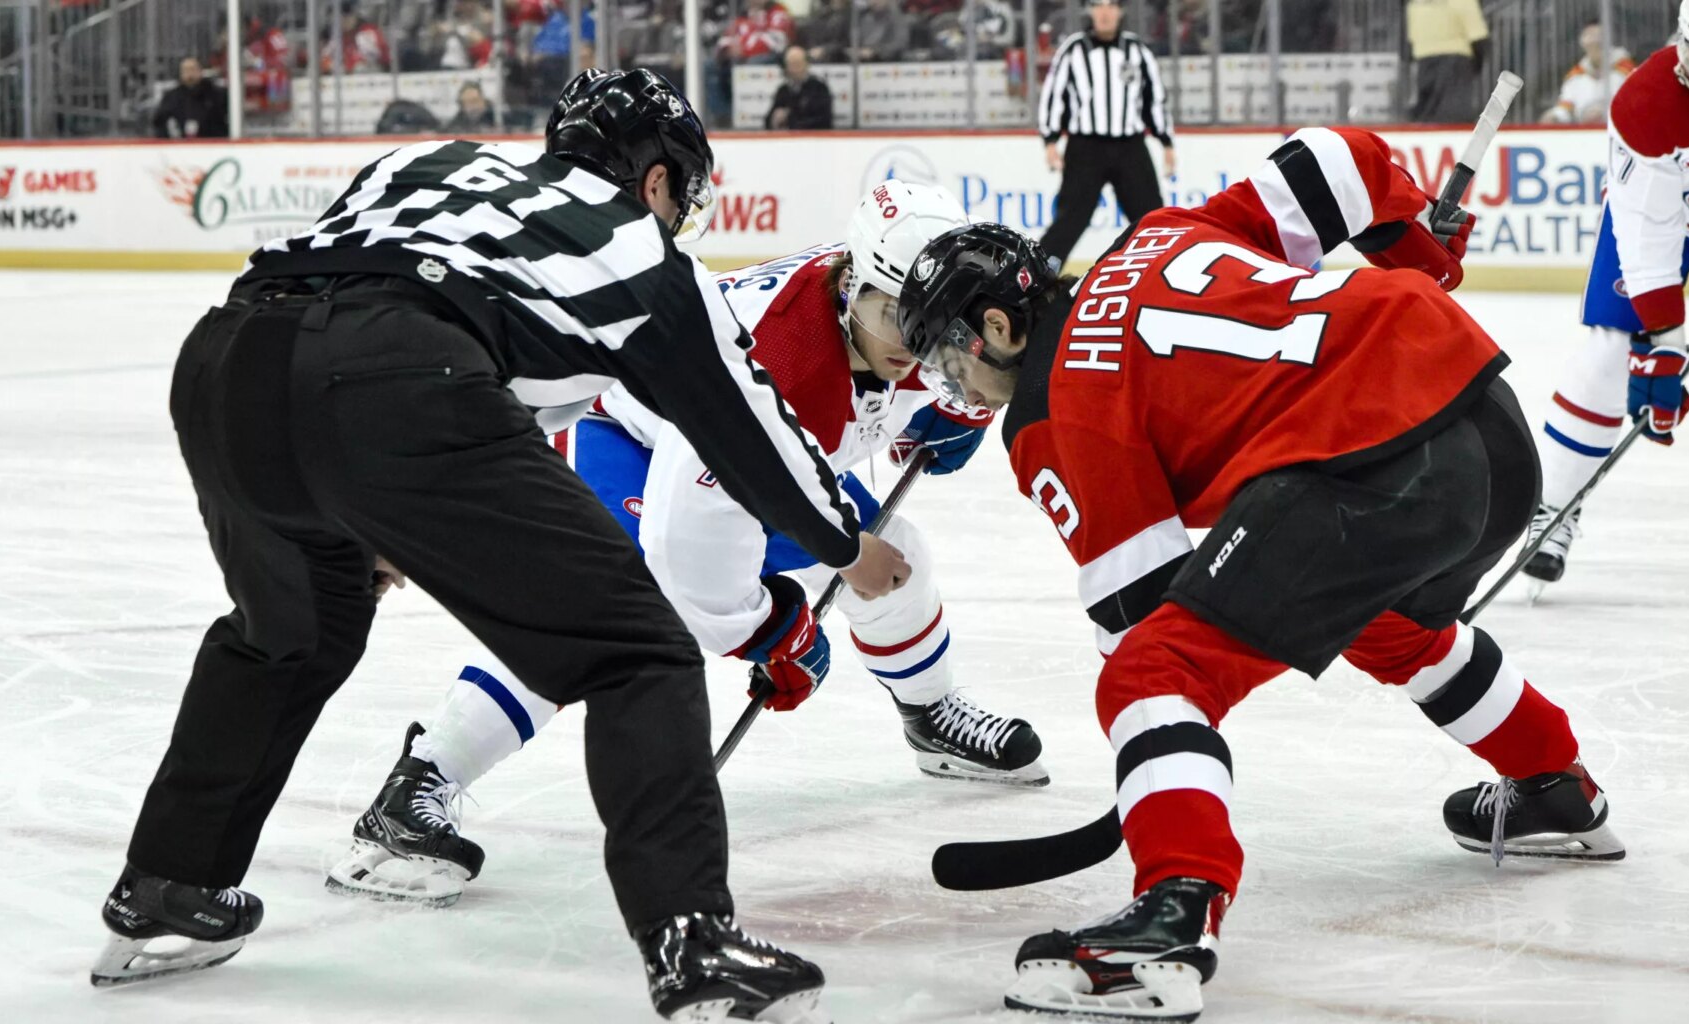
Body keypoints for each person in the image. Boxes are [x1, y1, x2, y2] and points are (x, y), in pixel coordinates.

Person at [89, 68, 909, 1024]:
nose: (680, 213)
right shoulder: (636, 247)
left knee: (287, 634)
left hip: (229, 363)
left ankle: (167, 889)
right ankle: (694, 943)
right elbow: (749, 429)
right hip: (400, 382)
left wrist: (375, 495)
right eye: (680, 191)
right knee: (639, 652)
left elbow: (369, 300)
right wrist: (845, 545)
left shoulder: (426, 162)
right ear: (654, 181)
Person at [895, 126, 1624, 1021]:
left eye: (945, 357)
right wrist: (1409, 241)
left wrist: (1158, 764)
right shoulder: (1157, 232)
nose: (950, 387)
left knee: (1152, 674)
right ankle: (1554, 782)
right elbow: (1338, 160)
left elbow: (1142, 612)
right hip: (1485, 419)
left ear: (997, 327)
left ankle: (1171, 913)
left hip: (1373, 464)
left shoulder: (1048, 412)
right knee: (1382, 619)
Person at [324, 179, 1052, 907]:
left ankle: (931, 716)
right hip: (635, 436)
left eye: (931, 329)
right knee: (595, 612)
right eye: (895, 318)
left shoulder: (909, 302)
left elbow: (931, 361)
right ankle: (420, 783)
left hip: (770, 461)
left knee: (898, 557)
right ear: (855, 285)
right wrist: (770, 629)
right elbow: (689, 551)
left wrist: (956, 399)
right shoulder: (776, 363)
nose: (914, 343)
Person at [1527, 0, 1689, 591]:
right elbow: (1647, 236)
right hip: (1677, 218)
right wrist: (1665, 344)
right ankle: (1553, 509)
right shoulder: (1645, 104)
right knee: (1607, 350)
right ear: (1682, 51)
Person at [1035, 0, 1175, 271]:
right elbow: (1054, 94)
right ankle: (1039, 281)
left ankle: (1164, 274)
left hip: (1130, 146)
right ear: (1090, 12)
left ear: (1120, 12)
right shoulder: (1074, 49)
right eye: (1098, 5)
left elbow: (1154, 99)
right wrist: (1050, 140)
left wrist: (1166, 141)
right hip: (1086, 148)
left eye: (1111, 5)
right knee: (1070, 220)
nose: (1105, 12)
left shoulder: (1137, 50)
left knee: (1152, 220)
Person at [1405, 0, 1489, 123]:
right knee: (1455, 114)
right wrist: (1476, 66)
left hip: (1424, 61)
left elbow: (1410, 43)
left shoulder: (1416, 4)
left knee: (1427, 114)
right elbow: (1479, 39)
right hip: (1456, 60)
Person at [1540, 21, 1635, 124]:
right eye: (1589, 37)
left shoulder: (1628, 71)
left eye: (1599, 37)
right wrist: (1554, 116)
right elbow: (1566, 107)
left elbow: (1636, 105)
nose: (1594, 42)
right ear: (1583, 44)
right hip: (1586, 135)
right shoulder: (1576, 76)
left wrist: (1605, 113)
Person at [153, 56, 228, 139]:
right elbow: (160, 123)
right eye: (186, 70)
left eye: (193, 69)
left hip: (211, 144)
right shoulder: (172, 97)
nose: (190, 74)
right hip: (180, 146)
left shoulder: (215, 94)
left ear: (200, 71)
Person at [765, 44, 832, 129]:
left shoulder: (819, 88)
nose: (794, 69)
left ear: (806, 65)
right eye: (791, 64)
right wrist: (773, 120)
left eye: (797, 64)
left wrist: (789, 119)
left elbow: (823, 121)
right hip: (787, 140)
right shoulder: (783, 90)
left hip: (813, 140)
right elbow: (768, 120)